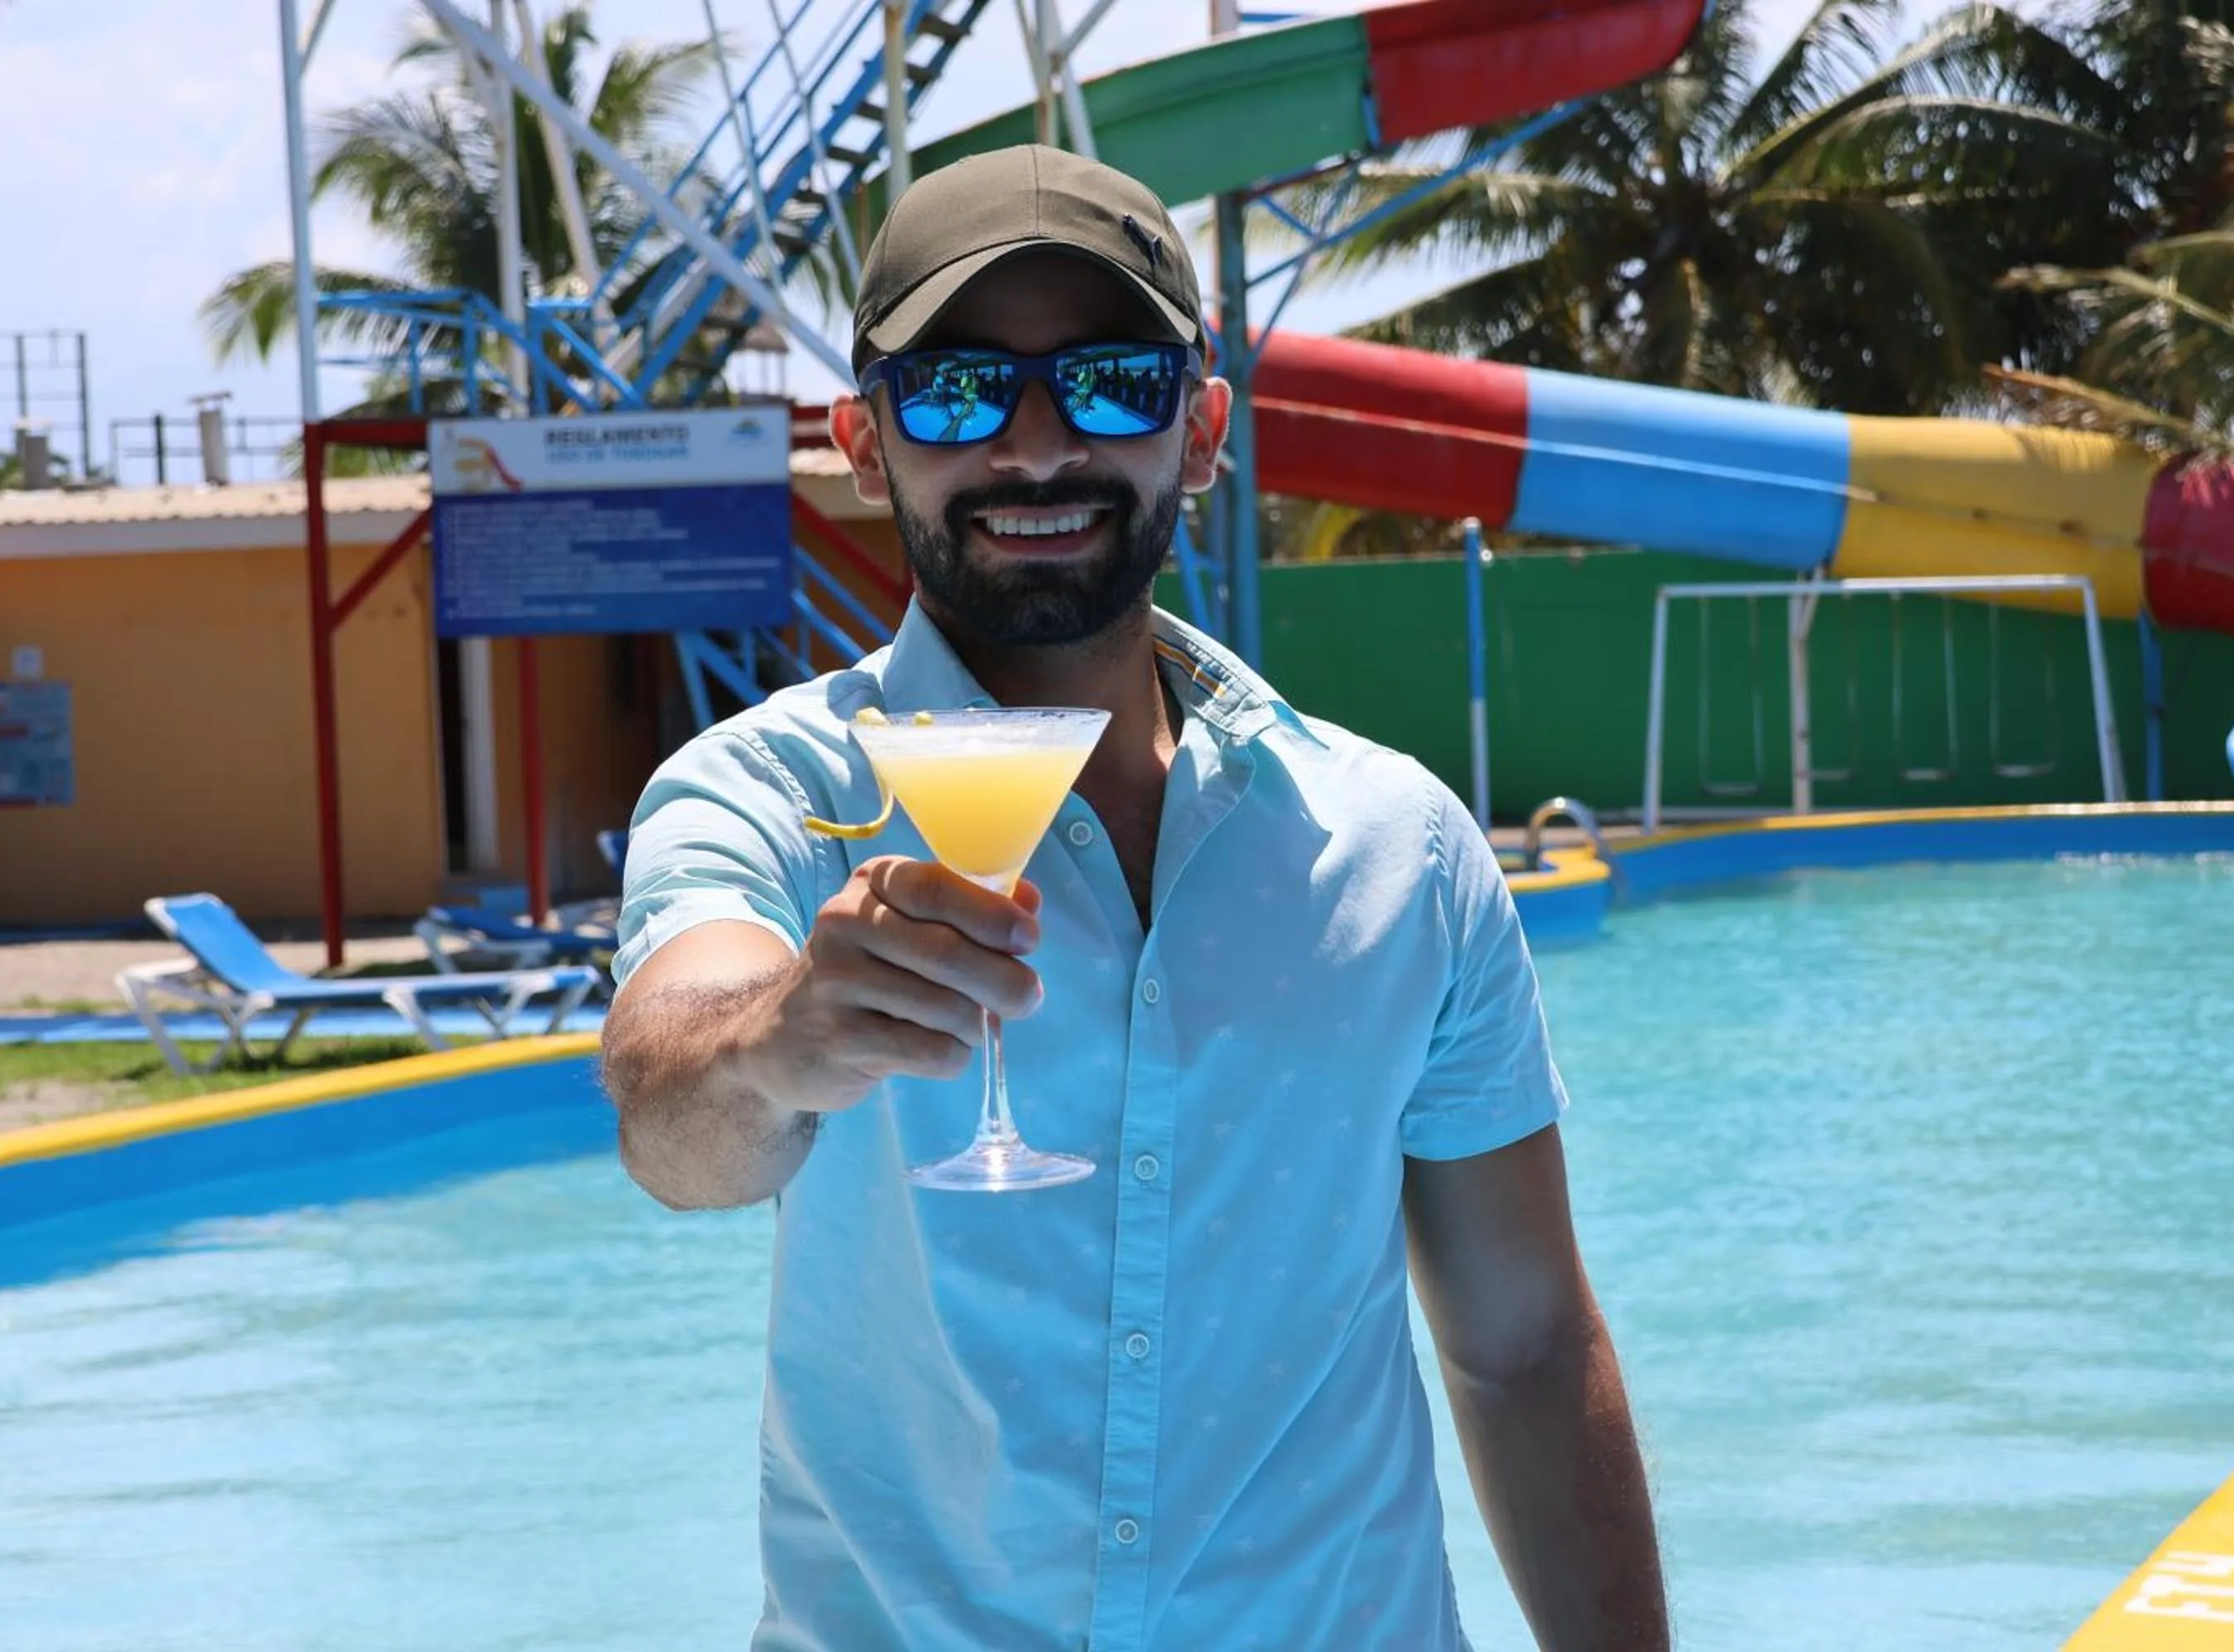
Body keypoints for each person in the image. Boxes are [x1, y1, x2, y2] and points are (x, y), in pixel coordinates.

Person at [601, 145, 1668, 1651]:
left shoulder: (1399, 849)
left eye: (1109, 382)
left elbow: (1527, 1343)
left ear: (1206, 428)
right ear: (863, 439)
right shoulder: (770, 796)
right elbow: (670, 1116)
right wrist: (777, 1038)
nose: (1036, 449)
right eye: (958, 393)